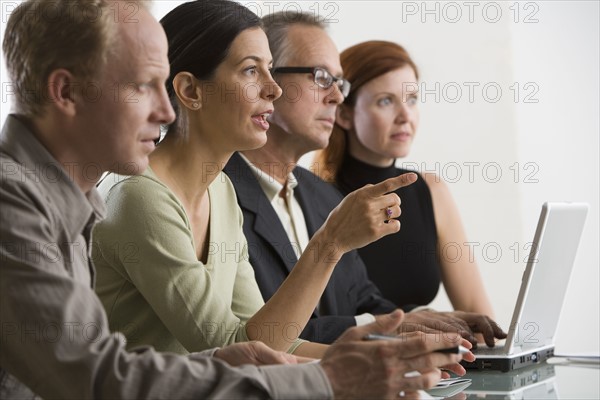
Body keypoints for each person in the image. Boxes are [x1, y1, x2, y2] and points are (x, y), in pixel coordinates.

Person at [0, 1, 468, 398]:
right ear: (66, 91)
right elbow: (95, 376)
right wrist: (326, 375)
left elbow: (250, 340)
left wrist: (381, 359)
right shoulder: (29, 201)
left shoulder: (92, 198)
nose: (164, 111)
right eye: (144, 85)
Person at [91, 0, 417, 359]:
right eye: (250, 71)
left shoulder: (221, 190)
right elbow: (235, 349)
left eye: (271, 70)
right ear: (190, 91)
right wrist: (330, 243)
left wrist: (388, 359)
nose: (273, 89)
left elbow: (265, 339)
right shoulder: (138, 195)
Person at [224, 11, 505, 346]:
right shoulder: (216, 193)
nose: (337, 97)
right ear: (267, 83)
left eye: (338, 83)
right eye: (320, 77)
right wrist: (386, 327)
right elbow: (254, 338)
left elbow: (366, 304)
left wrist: (423, 322)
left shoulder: (322, 196)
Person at [314, 40, 495, 316]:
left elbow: (478, 316)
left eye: (411, 99)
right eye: (385, 101)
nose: (405, 115)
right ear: (344, 113)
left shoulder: (432, 191)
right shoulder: (312, 196)